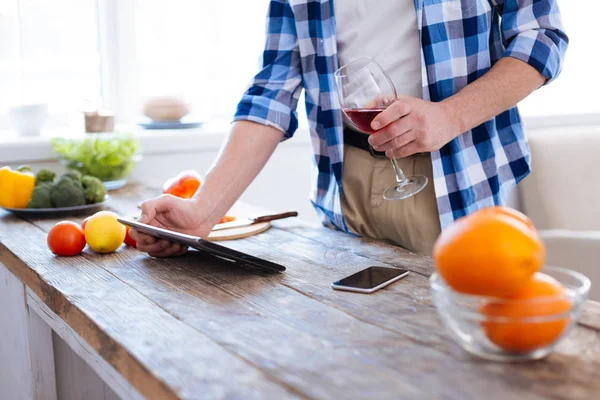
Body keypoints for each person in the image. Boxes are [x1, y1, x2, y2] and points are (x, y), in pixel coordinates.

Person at [130, 0, 568, 257]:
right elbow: (273, 89)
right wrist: (203, 211)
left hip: (454, 178)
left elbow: (541, 37)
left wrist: (448, 116)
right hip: (345, 186)